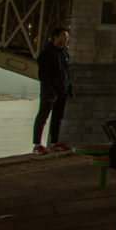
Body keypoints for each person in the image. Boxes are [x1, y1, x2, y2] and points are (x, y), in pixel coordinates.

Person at [33, 26, 74, 154]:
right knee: (43, 117)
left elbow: (67, 74)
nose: (65, 39)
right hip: (50, 93)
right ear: (55, 37)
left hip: (62, 92)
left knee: (57, 118)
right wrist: (50, 92)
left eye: (66, 37)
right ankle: (37, 145)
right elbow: (44, 76)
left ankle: (54, 143)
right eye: (63, 36)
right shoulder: (46, 53)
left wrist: (69, 90)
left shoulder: (64, 54)